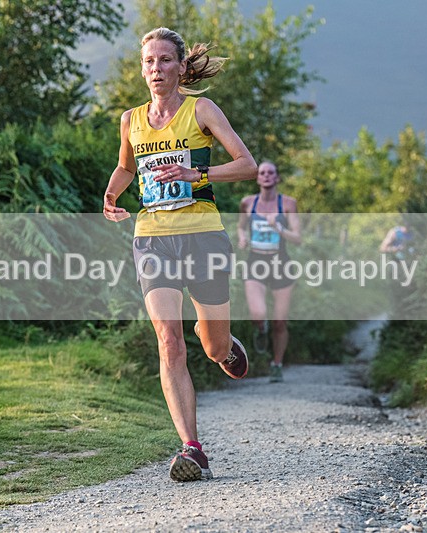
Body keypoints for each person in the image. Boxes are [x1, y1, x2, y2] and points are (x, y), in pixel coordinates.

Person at [102, 27, 257, 482]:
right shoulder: (131, 120)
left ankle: (226, 347)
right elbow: (127, 165)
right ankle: (192, 449)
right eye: (149, 62)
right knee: (168, 340)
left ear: (182, 67)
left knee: (211, 346)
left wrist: (196, 175)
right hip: (151, 237)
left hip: (203, 234)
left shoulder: (201, 110)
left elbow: (246, 166)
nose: (156, 70)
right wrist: (112, 194)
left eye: (166, 61)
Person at [237, 161, 301, 383]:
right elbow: (240, 226)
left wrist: (279, 228)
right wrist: (242, 237)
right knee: (258, 313)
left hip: (281, 264)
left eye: (270, 172)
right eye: (262, 172)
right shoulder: (247, 203)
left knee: (280, 322)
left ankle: (276, 363)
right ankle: (260, 329)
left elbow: (298, 238)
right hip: (255, 262)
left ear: (277, 178)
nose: (266, 176)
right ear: (257, 178)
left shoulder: (288, 204)